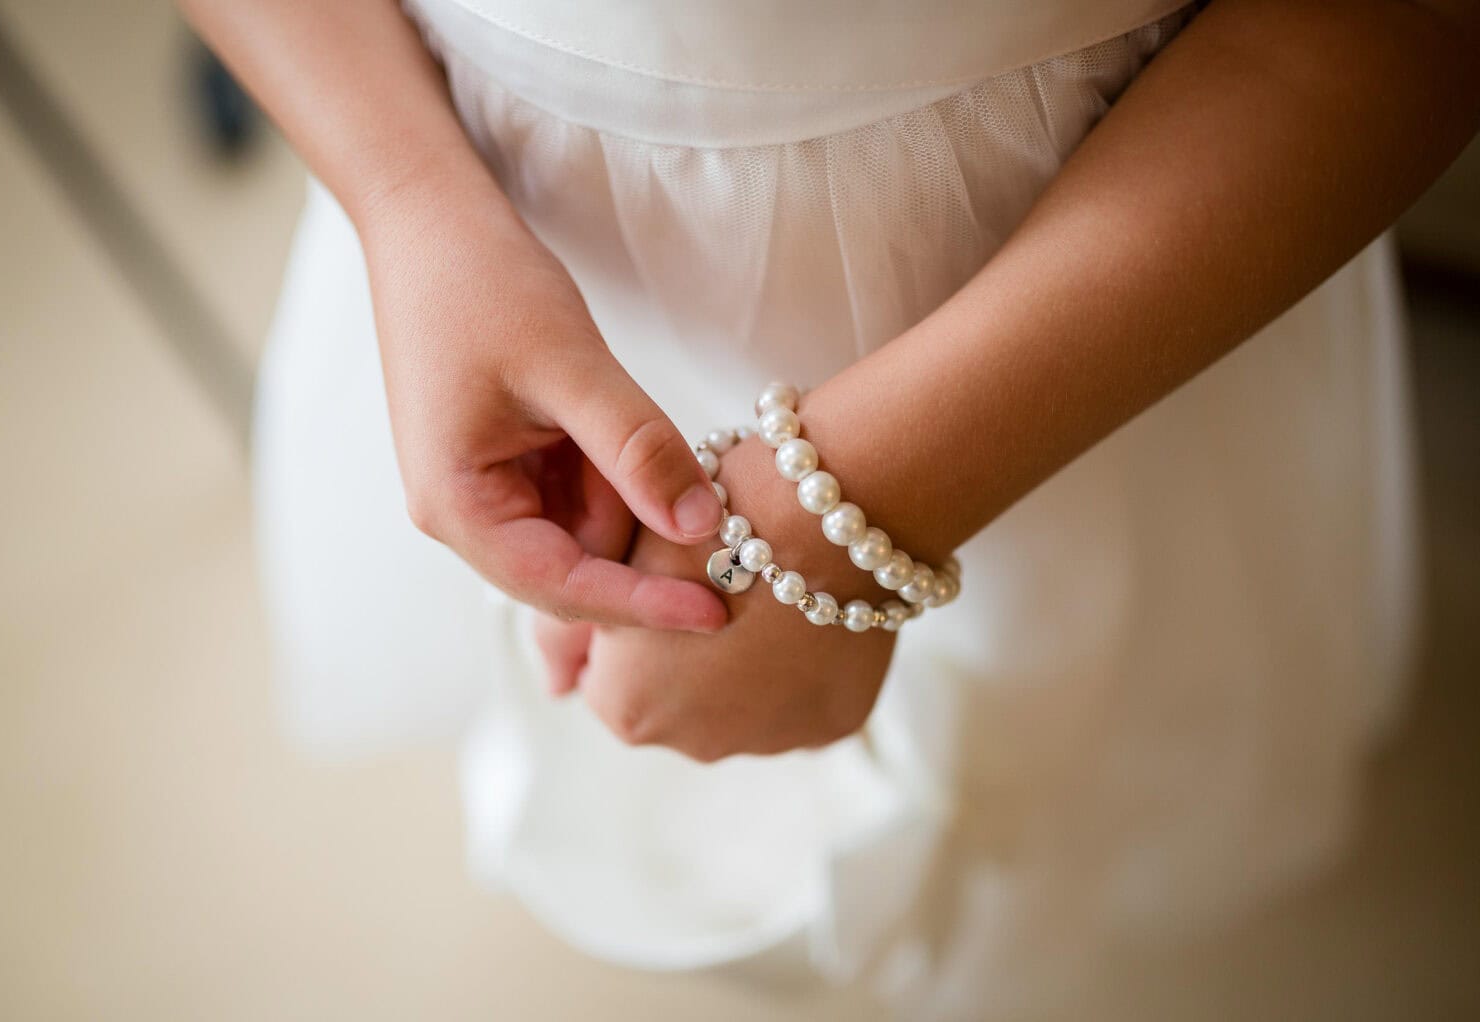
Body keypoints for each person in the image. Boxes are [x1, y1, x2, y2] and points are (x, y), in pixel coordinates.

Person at [182, 0, 1479, 1016]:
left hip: (1090, 282)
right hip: (466, 225)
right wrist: (410, 204)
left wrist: (851, 513)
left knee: (1075, 743)